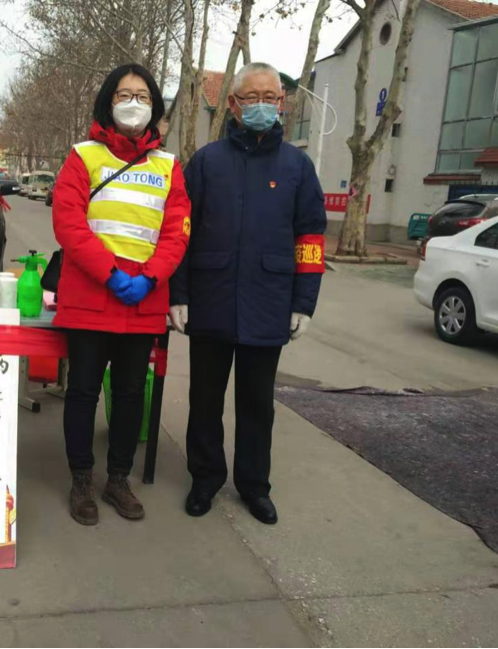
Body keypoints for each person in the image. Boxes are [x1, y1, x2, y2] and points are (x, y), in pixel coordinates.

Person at [169, 62, 326, 525]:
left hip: (269, 301)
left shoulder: (298, 167)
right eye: (251, 97)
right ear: (234, 105)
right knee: (205, 400)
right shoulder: (207, 163)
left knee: (257, 405)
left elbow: (310, 238)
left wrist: (304, 302)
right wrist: (178, 294)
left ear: (282, 103)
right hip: (211, 298)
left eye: (270, 97)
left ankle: (255, 485)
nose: (262, 105)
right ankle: (205, 478)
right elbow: (181, 234)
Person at [52, 63, 191, 526]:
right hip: (90, 296)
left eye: (143, 96)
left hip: (142, 300)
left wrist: (150, 278)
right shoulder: (83, 156)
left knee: (131, 394)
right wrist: (111, 275)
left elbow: (177, 232)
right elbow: (68, 223)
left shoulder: (168, 166)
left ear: (155, 107)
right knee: (83, 392)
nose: (134, 104)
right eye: (124, 95)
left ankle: (117, 479)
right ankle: (81, 480)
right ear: (108, 102)